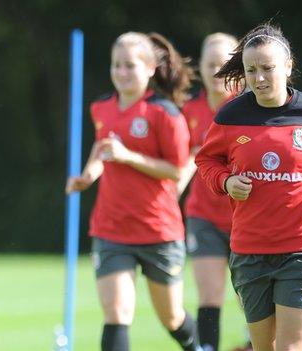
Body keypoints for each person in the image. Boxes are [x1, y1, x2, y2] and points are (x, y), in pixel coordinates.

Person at [195, 23, 302, 351]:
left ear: (288, 66)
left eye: (268, 68)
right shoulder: (230, 116)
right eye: (251, 70)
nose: (259, 78)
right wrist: (226, 181)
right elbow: (206, 162)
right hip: (250, 251)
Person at [66, 31, 201, 351]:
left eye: (130, 65)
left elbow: (176, 170)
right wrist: (88, 175)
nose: (122, 73)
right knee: (116, 313)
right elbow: (103, 147)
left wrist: (129, 157)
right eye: (117, 65)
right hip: (111, 228)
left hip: (158, 229)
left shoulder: (164, 113)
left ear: (150, 68)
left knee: (171, 317)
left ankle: (198, 346)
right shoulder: (101, 108)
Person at [179, 32, 252, 351]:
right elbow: (180, 159)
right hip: (203, 216)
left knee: (249, 295)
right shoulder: (188, 110)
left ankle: (255, 344)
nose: (216, 71)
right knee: (209, 296)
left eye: (222, 64)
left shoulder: (247, 108)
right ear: (201, 67)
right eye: (210, 64)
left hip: (245, 217)